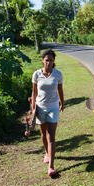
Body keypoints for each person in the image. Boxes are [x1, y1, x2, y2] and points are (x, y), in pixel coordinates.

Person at [31, 49, 64, 177]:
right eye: (46, 60)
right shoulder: (36, 74)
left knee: (51, 136)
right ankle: (47, 152)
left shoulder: (58, 74)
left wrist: (62, 103)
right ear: (42, 60)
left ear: (53, 61)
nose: (49, 62)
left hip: (53, 108)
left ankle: (51, 166)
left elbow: (60, 89)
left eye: (51, 60)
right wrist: (33, 107)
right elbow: (34, 92)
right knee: (43, 135)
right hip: (40, 108)